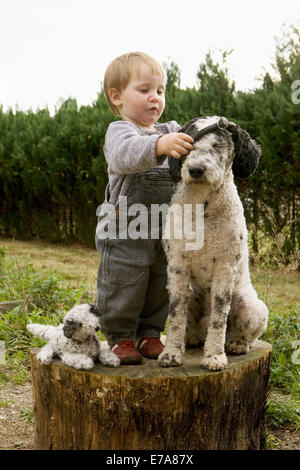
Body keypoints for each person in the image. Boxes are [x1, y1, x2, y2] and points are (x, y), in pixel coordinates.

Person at [95, 52, 194, 364]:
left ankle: (150, 332)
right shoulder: (120, 131)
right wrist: (158, 147)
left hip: (162, 229)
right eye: (144, 90)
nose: (155, 98)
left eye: (160, 91)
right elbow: (125, 156)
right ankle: (120, 336)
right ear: (117, 97)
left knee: (161, 282)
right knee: (124, 280)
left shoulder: (171, 130)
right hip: (125, 229)